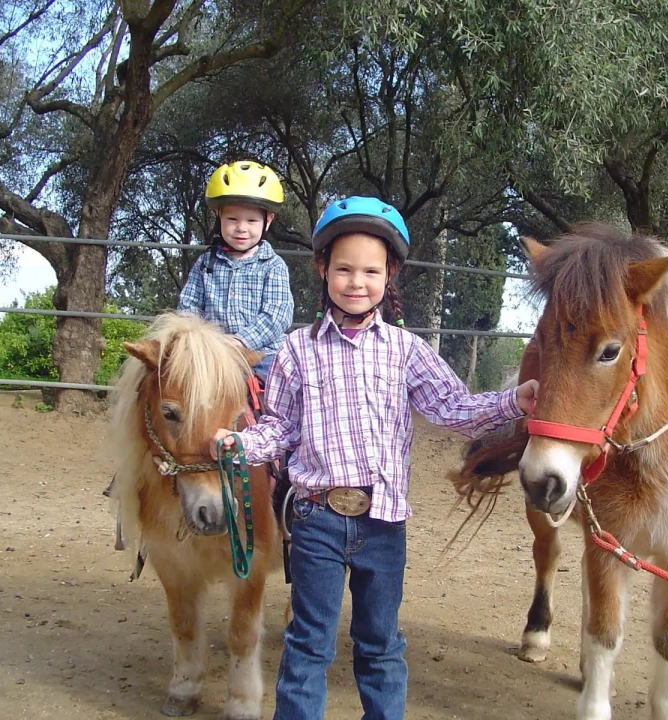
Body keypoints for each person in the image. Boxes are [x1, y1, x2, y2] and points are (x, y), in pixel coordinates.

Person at [210, 196, 539, 720]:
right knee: (308, 641)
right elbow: (281, 427)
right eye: (343, 269)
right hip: (314, 518)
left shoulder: (406, 350)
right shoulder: (297, 350)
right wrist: (240, 444)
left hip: (384, 522)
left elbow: (452, 407)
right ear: (322, 270)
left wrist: (511, 401)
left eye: (370, 270)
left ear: (390, 275)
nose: (356, 282)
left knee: (381, 642)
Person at [178, 159, 294, 386]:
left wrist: (242, 341)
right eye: (232, 219)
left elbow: (277, 315)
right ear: (219, 216)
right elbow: (188, 307)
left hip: (262, 353)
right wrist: (203, 341)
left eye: (251, 220)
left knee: (281, 386)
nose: (241, 228)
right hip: (213, 353)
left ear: (267, 221)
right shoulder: (205, 264)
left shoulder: (273, 265)